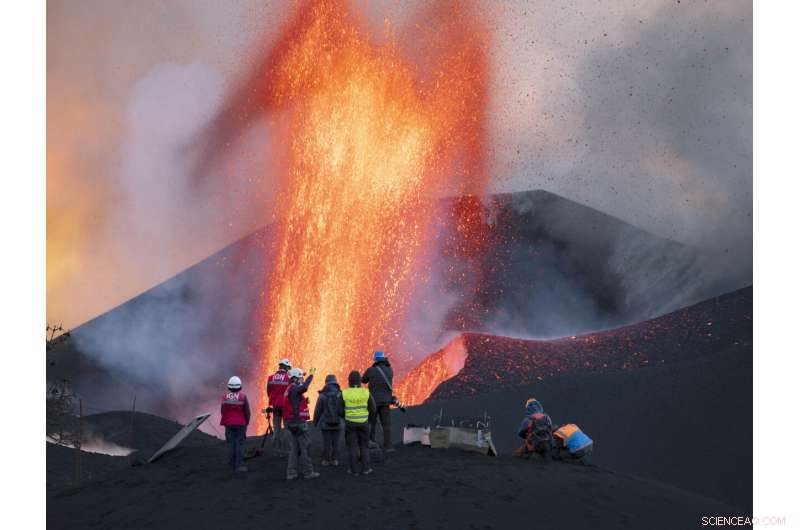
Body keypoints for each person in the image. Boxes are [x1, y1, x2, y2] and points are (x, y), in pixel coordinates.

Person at [282, 367, 320, 480]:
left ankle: (291, 473)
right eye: (300, 377)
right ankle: (308, 472)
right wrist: (311, 375)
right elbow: (304, 388)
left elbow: (293, 402)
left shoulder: (288, 389)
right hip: (298, 423)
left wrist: (303, 402)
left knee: (294, 449)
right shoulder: (294, 388)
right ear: (295, 378)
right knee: (305, 447)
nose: (302, 379)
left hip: (290, 423)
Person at [341, 370, 376, 475]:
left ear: (349, 381)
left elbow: (338, 410)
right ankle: (366, 469)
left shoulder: (344, 393)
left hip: (350, 424)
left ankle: (353, 470)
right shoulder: (365, 393)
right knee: (364, 446)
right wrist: (369, 419)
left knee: (352, 447)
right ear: (359, 381)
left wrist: (346, 416)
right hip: (364, 423)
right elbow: (373, 408)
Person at [361, 351, 394, 452]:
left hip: (374, 402)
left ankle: (372, 443)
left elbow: (363, 380)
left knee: (372, 423)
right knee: (386, 424)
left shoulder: (371, 370)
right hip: (386, 401)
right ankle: (388, 446)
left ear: (375, 360)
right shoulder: (390, 370)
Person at [220, 376, 251, 472]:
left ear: (229, 387)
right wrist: (247, 422)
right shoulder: (243, 397)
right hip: (241, 424)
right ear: (239, 386)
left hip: (229, 424)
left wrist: (226, 422)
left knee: (230, 444)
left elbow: (223, 411)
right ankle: (239, 466)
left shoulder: (224, 397)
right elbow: (247, 412)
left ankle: (231, 465)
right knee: (240, 444)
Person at [313, 374, 344, 466]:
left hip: (325, 424)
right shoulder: (340, 394)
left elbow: (318, 410)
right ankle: (335, 460)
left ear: (326, 383)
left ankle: (326, 461)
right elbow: (343, 409)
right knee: (336, 443)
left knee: (327, 443)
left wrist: (315, 421)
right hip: (338, 423)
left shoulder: (322, 396)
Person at [266, 358, 292, 454]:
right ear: (286, 367)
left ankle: (276, 451)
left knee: (276, 428)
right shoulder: (288, 379)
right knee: (287, 428)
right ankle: (286, 450)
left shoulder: (271, 378)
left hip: (276, 406)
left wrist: (274, 400)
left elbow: (269, 392)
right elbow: (291, 392)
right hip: (286, 406)